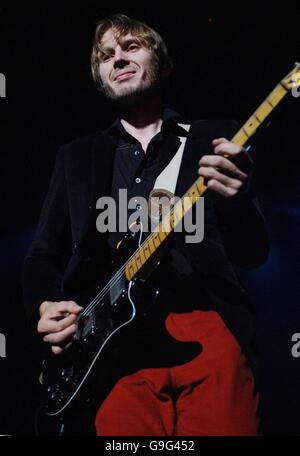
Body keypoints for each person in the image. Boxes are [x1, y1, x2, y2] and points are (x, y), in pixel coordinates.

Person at [22, 14, 269, 436]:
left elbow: (253, 251)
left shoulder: (214, 138)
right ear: (99, 77)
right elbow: (42, 255)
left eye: (131, 46)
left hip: (206, 326)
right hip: (115, 351)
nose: (117, 58)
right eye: (105, 55)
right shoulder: (76, 158)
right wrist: (45, 305)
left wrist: (238, 201)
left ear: (163, 63)